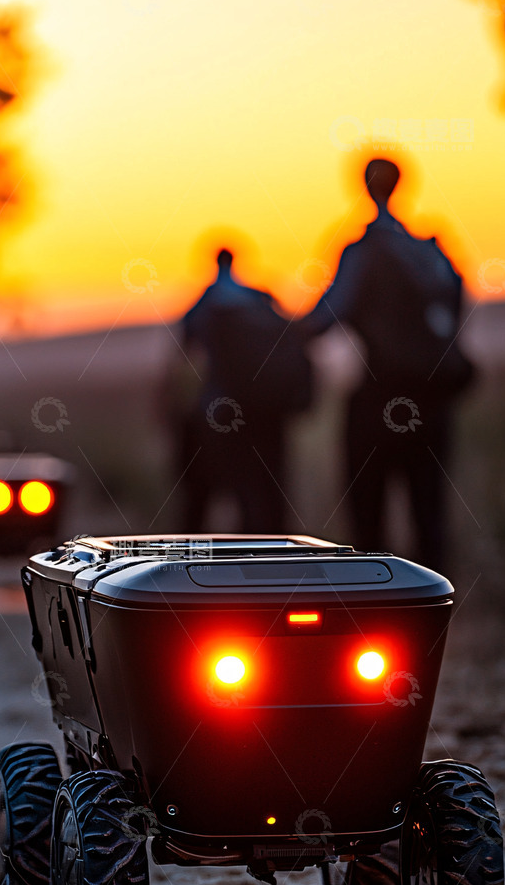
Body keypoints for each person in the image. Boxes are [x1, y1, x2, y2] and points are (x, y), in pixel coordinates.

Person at [302, 158, 472, 573]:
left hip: (379, 403)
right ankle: (433, 612)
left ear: (363, 186)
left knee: (368, 520)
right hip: (434, 403)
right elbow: (454, 310)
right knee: (429, 515)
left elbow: (328, 316)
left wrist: (276, 331)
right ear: (401, 185)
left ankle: (378, 610)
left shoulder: (362, 251)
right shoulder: (431, 251)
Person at [174, 248, 312, 531]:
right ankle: (273, 556)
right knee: (267, 491)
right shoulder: (261, 299)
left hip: (222, 414)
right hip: (268, 412)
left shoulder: (208, 302)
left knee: (209, 493)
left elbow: (186, 349)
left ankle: (201, 562)